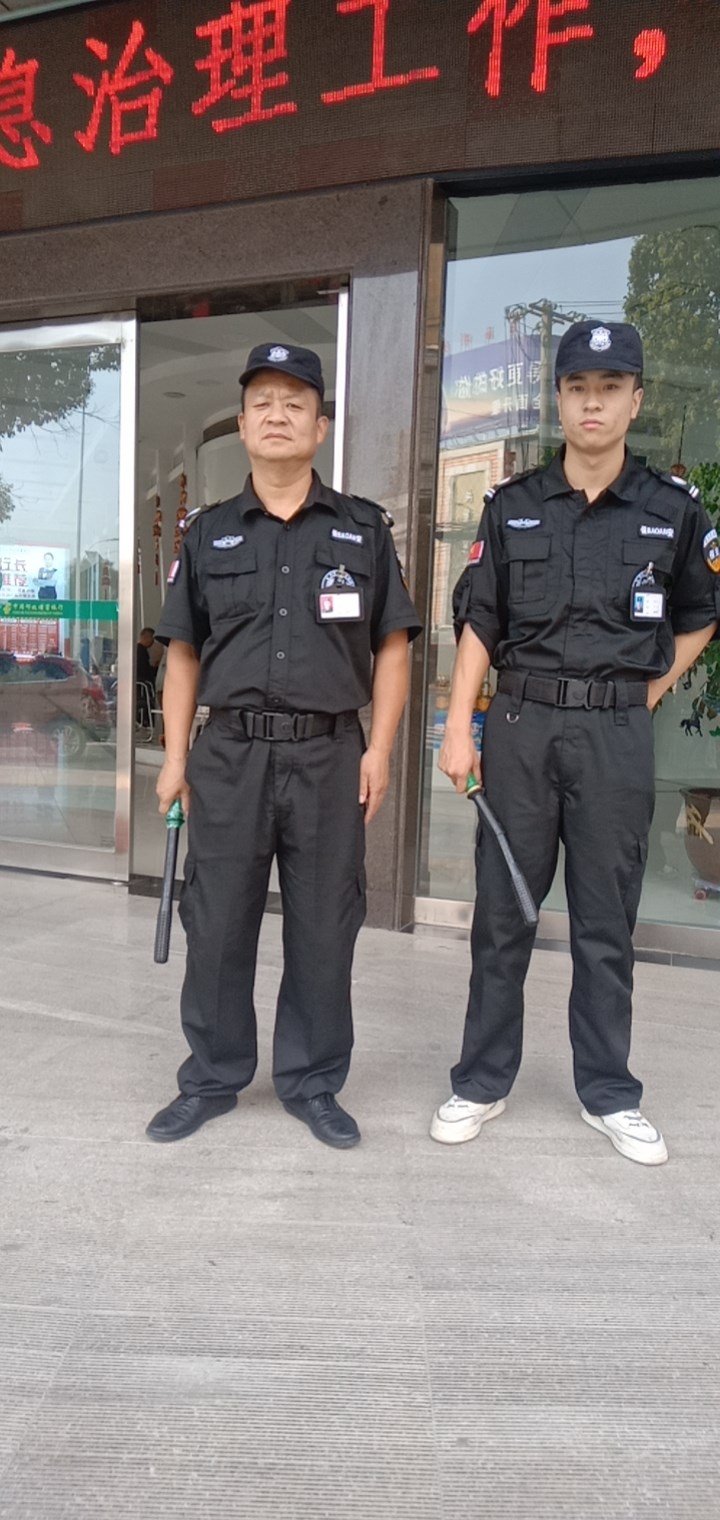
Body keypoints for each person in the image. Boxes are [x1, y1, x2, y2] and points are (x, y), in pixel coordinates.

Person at [430, 321, 719, 1166]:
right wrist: (459, 726)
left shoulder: (672, 510)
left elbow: (701, 614)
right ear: (558, 399)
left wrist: (649, 690)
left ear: (636, 399)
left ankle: (609, 1092)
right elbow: (481, 619)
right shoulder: (512, 505)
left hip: (615, 735)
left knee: (605, 920)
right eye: (578, 387)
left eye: (610, 387)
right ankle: (482, 1080)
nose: (593, 403)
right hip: (520, 727)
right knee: (502, 916)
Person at [146, 343, 421, 1148]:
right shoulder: (208, 534)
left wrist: (380, 751)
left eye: (295, 403)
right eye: (262, 402)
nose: (277, 415)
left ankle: (313, 1082)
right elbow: (183, 653)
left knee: (325, 927)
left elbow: (394, 647)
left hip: (331, 755)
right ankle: (211, 1077)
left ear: (320, 427)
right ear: (242, 424)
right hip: (229, 757)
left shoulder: (363, 530)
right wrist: (173, 759)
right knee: (216, 925)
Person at [135, 627, 156, 726]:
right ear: (146, 637)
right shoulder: (141, 652)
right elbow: (143, 669)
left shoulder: (137, 650)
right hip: (142, 686)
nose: (153, 642)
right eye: (152, 638)